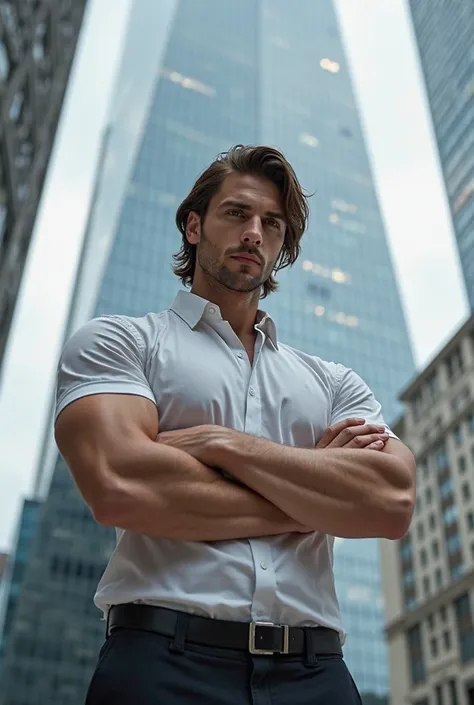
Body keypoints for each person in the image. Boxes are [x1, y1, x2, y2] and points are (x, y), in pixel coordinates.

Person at [54, 145, 416, 705]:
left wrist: (218, 443)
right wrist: (316, 497)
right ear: (194, 226)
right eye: (236, 214)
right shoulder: (122, 343)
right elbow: (121, 487)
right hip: (162, 662)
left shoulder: (333, 383)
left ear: (281, 246)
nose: (254, 232)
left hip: (317, 674)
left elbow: (391, 502)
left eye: (271, 224)